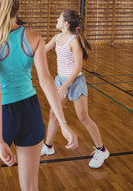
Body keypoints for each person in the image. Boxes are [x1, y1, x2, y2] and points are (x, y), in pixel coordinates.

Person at [0, 0, 78, 191]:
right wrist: (64, 124)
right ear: (18, 9)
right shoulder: (33, 37)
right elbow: (46, 80)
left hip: (2, 114)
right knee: (31, 187)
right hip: (30, 111)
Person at [41, 9, 109, 168]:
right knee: (53, 113)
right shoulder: (57, 38)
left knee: (83, 118)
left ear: (66, 23)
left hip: (75, 82)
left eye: (59, 17)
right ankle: (48, 146)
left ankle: (101, 149)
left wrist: (65, 85)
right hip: (61, 81)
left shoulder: (74, 41)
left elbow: (78, 66)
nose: (56, 19)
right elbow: (42, 50)